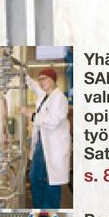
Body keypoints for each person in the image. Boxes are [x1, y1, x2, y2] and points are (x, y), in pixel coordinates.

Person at [21, 68, 71, 209]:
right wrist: (24, 76)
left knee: (51, 182)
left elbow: (53, 121)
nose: (41, 82)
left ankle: (49, 215)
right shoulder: (45, 96)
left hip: (53, 146)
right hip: (41, 144)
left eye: (44, 79)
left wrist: (31, 114)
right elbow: (35, 87)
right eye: (40, 79)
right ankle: (39, 211)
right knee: (35, 178)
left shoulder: (59, 98)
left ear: (53, 79)